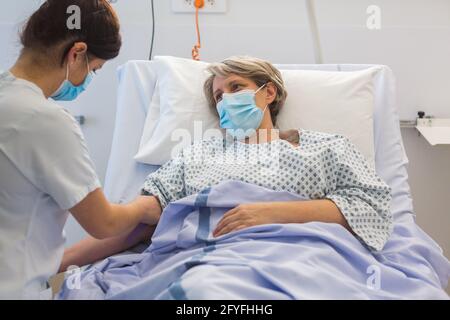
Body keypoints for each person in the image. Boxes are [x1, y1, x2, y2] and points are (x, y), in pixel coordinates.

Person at [61, 56, 393, 278]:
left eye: (236, 88)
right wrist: (55, 263)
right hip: (209, 263)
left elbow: (370, 207)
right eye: (219, 96)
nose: (225, 99)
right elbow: (148, 216)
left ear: (269, 93)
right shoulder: (201, 152)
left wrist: (270, 213)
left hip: (301, 261)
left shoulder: (325, 147)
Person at [0, 0, 159, 299]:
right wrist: (144, 208)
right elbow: (105, 223)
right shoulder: (45, 120)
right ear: (77, 53)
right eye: (94, 69)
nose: (88, 79)